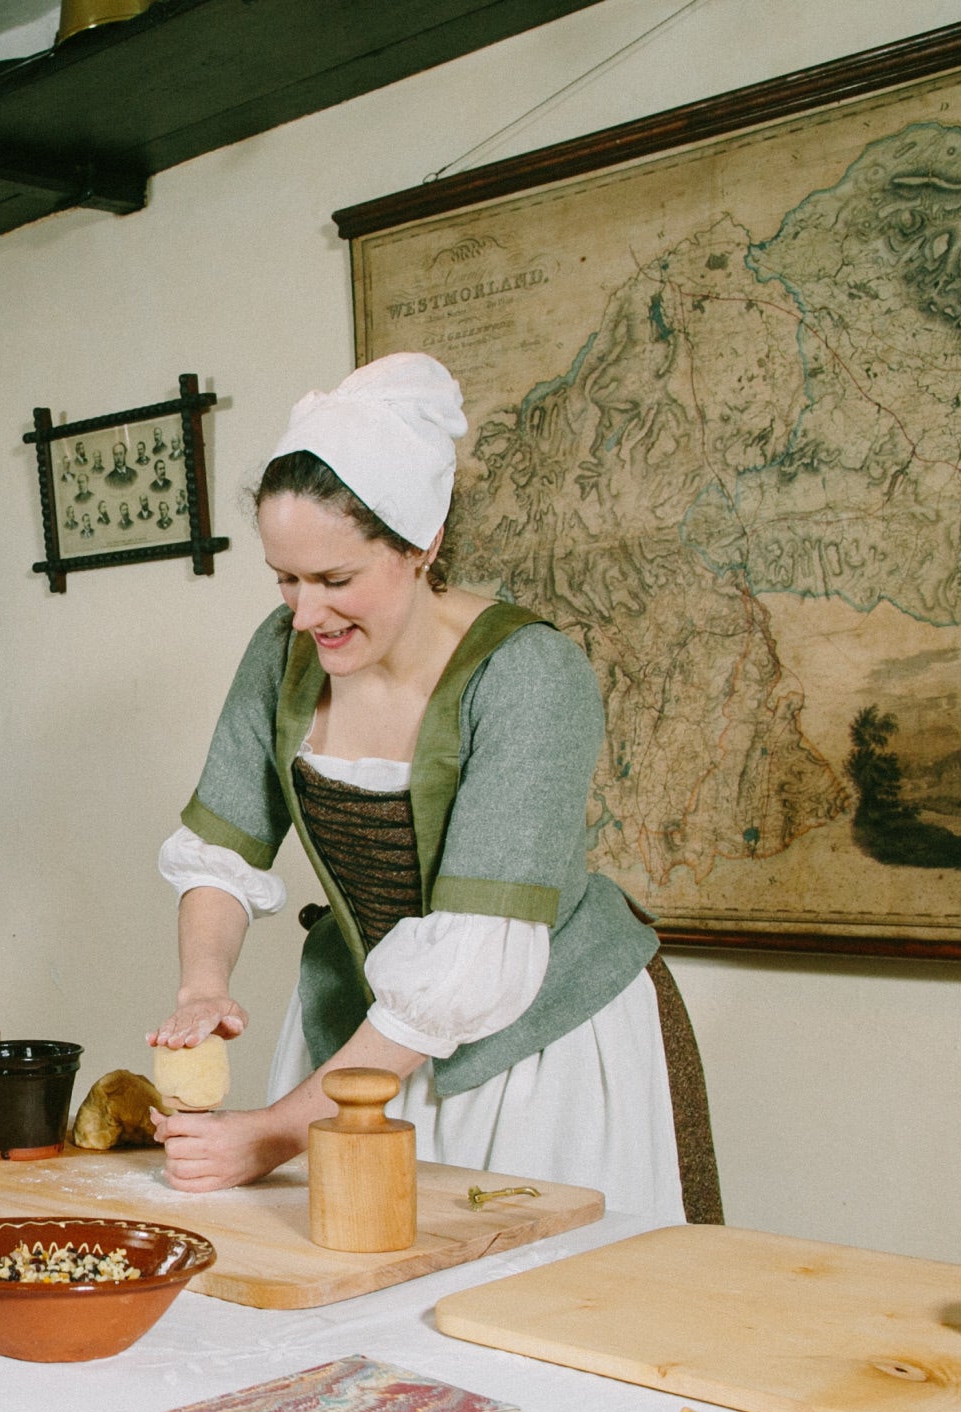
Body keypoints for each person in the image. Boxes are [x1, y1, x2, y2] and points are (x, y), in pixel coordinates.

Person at [146, 352, 685, 1221]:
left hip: (535, 1052)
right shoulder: (286, 651)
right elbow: (220, 849)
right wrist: (201, 985)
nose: (305, 611)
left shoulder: (530, 676)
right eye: (285, 578)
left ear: (422, 544)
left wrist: (278, 1131)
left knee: (522, 1310)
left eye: (335, 579)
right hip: (356, 1036)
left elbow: (471, 963)